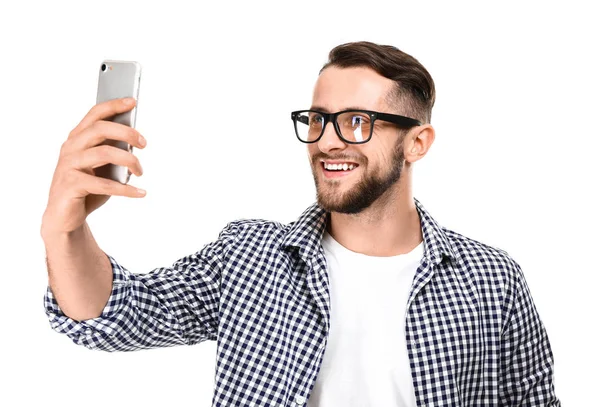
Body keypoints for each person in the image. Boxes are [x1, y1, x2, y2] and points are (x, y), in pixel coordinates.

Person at [41, 41, 561, 406]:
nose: (328, 140)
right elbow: (115, 316)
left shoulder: (492, 281)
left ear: (416, 143)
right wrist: (63, 232)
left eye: (357, 122)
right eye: (317, 119)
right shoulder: (249, 256)